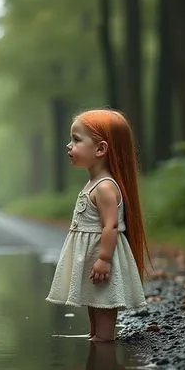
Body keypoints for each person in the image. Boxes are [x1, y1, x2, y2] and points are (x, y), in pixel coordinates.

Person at [46, 109, 147, 342]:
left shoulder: (104, 187)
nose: (68, 146)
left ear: (100, 149)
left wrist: (104, 258)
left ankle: (104, 338)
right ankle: (95, 335)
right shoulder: (93, 183)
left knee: (103, 299)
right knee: (94, 297)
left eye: (76, 140)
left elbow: (111, 226)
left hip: (102, 253)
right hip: (92, 253)